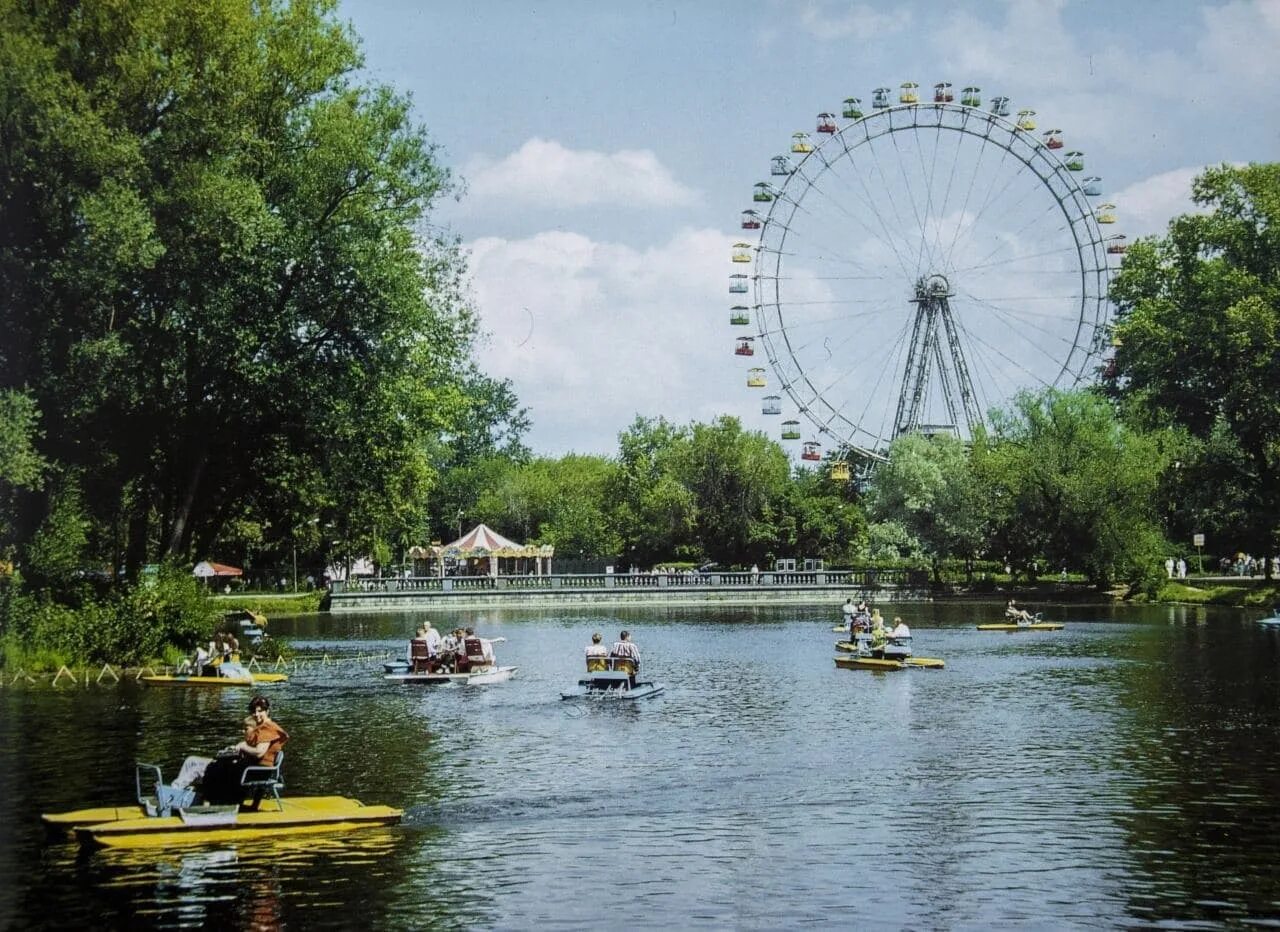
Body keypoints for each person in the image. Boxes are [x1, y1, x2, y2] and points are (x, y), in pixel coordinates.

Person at [172, 696, 289, 807]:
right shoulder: (260, 728)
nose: (256, 714)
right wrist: (234, 752)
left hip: (253, 772)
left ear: (267, 711)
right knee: (192, 761)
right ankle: (177, 791)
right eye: (254, 711)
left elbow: (259, 752)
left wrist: (242, 746)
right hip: (246, 768)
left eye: (260, 711)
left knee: (198, 768)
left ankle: (172, 795)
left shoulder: (268, 728)